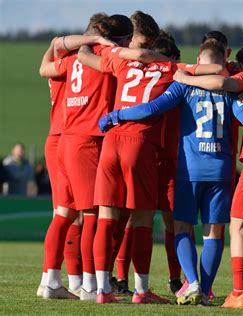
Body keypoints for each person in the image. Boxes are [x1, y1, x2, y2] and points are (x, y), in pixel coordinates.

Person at [99, 39, 243, 306]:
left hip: (190, 168)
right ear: (222, 63)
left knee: (182, 228)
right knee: (214, 233)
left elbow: (152, 108)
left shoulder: (184, 85)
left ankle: (193, 282)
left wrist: (117, 115)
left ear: (199, 62)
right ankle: (207, 292)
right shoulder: (231, 91)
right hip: (221, 170)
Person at [37, 14, 133, 300]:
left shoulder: (70, 61)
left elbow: (48, 60)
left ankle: (52, 280)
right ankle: (89, 285)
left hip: (64, 139)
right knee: (92, 213)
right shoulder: (108, 57)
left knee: (64, 213)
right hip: (87, 140)